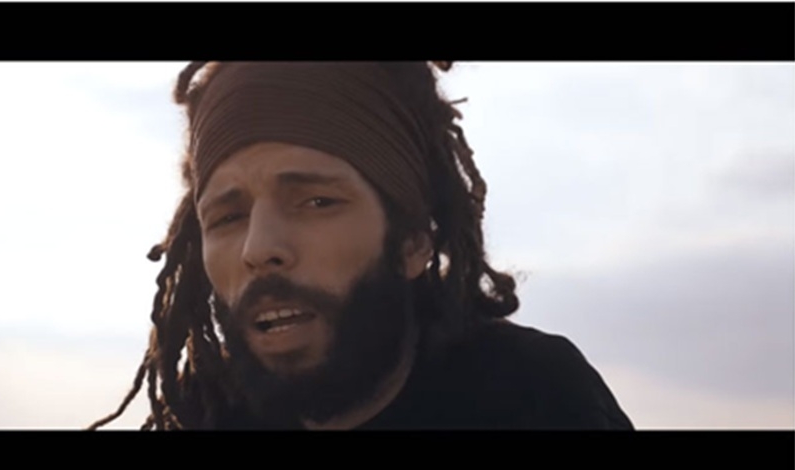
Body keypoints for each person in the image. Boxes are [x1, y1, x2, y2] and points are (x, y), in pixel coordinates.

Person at [89, 61, 634, 431]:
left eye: (316, 202)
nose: (259, 248)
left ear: (413, 241)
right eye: (228, 217)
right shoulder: (207, 415)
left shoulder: (535, 399)